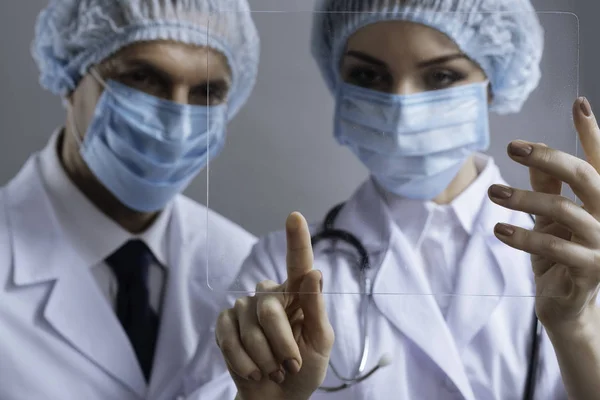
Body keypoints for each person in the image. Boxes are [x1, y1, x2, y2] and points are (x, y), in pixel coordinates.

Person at [215, 1, 600, 399]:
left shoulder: (581, 258)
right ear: (339, 82)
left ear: (493, 82)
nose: (401, 107)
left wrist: (577, 327)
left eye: (440, 76)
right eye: (367, 75)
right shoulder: (275, 275)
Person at [0, 1, 259, 399]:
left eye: (207, 92)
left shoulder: (244, 269)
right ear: (71, 75)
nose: (176, 121)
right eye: (142, 78)